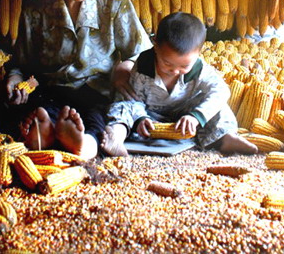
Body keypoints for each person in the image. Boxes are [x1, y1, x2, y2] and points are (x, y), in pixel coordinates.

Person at [3, 0, 152, 160]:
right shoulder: (36, 10)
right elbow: (25, 67)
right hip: (52, 91)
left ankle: (84, 143)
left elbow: (144, 55)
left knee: (105, 116)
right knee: (32, 107)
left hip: (99, 91)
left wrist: (125, 67)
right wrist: (16, 80)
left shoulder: (114, 3)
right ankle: (47, 129)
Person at [101, 12, 258, 157]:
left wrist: (196, 116)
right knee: (122, 104)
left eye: (184, 67)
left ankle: (225, 138)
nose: (175, 71)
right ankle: (116, 136)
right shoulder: (144, 66)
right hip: (151, 113)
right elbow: (134, 99)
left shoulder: (199, 68)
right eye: (167, 63)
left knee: (220, 106)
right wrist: (141, 118)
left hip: (186, 112)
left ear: (199, 53)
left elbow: (221, 91)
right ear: (155, 46)